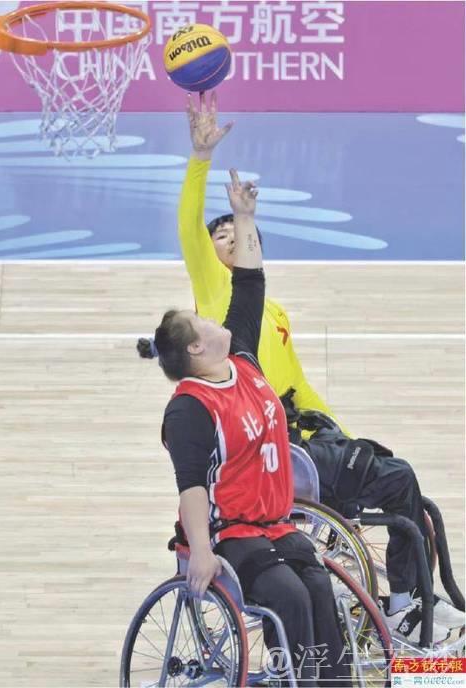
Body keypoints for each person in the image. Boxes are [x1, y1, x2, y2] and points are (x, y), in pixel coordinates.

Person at [174, 90, 463, 642]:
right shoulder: (215, 296)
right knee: (400, 480)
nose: (228, 239)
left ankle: (418, 600)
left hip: (302, 434)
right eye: (220, 237)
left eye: (238, 233)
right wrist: (200, 158)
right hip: (272, 451)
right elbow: (190, 226)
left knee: (406, 494)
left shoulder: (271, 310)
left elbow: (299, 387)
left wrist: (346, 438)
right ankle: (402, 608)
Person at [139, 169, 352, 687]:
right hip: (229, 534)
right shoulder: (189, 408)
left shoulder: (244, 361)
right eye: (204, 323)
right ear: (196, 348)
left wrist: (244, 216)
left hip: (277, 524)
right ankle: (297, 680)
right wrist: (201, 551)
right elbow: (191, 486)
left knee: (320, 590)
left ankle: (333, 682)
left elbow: (250, 282)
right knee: (291, 596)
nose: (215, 319)